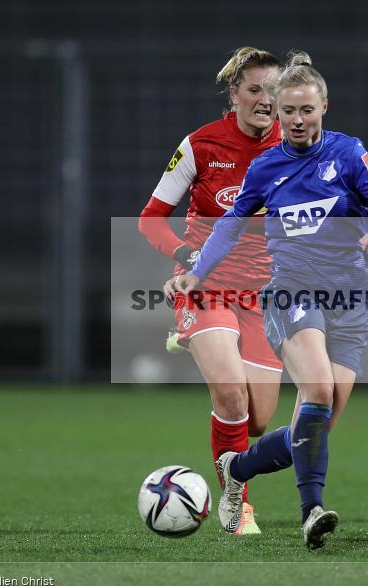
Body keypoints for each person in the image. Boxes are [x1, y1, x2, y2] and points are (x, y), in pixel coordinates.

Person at [165, 51, 368, 549]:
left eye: (307, 110)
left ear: (324, 108)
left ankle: (238, 469)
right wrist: (195, 273)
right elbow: (228, 229)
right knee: (316, 390)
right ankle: (312, 512)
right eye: (289, 110)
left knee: (314, 427)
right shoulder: (266, 167)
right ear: (278, 111)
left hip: (351, 301)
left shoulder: (349, 154)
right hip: (292, 292)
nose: (297, 120)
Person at [138, 47, 285, 535]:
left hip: (264, 296)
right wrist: (187, 259)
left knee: (257, 421)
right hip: (207, 286)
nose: (265, 100)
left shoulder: (297, 147)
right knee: (230, 396)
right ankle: (238, 506)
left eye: (273, 90)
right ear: (234, 94)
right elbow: (151, 220)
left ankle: (201, 349)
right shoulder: (201, 145)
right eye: (255, 90)